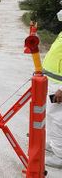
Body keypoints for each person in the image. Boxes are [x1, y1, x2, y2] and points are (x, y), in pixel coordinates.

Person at [43, 22, 62, 168]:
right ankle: (54, 144)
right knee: (51, 114)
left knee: (57, 119)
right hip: (54, 82)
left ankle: (59, 156)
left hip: (59, 87)